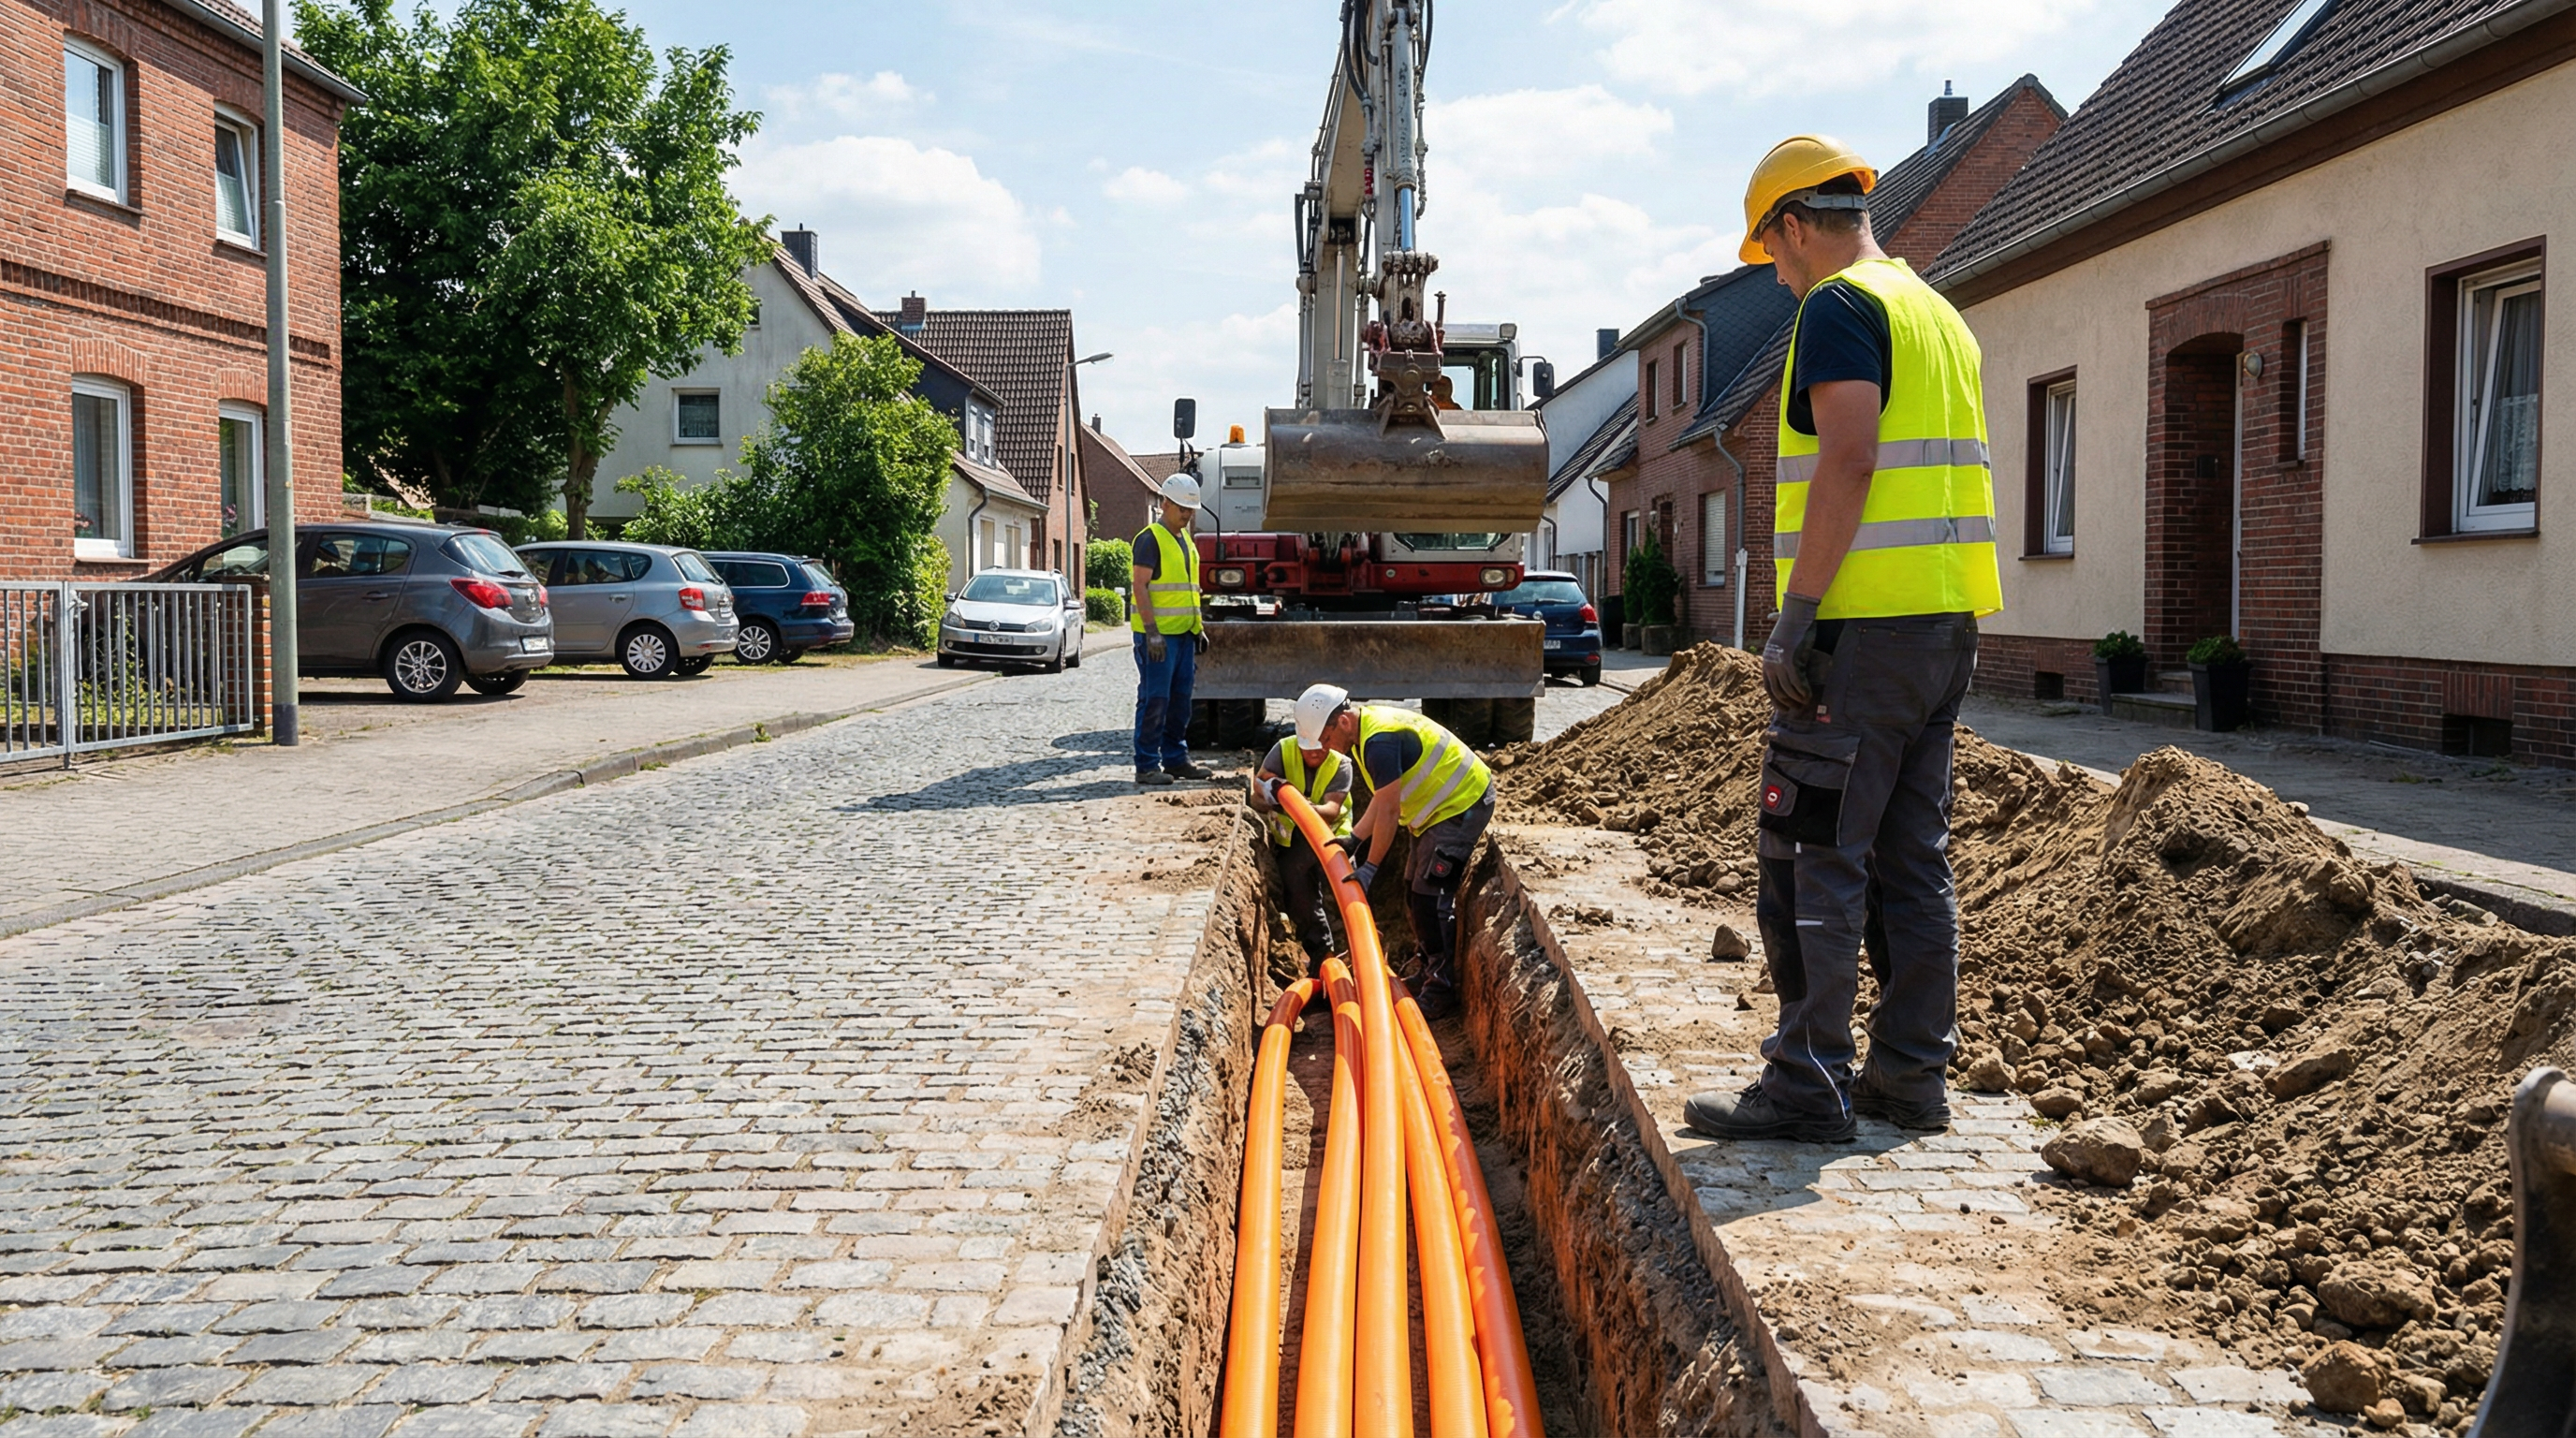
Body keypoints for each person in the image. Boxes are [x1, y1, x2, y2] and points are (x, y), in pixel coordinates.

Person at [1680, 135, 2002, 1145]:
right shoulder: (1935, 311)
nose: (1774, 276)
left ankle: (1806, 1084)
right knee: (1912, 858)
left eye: (1769, 254)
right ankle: (1908, 1078)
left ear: (1789, 226)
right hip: (1944, 625)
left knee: (1814, 848)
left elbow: (1850, 458)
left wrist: (1797, 616)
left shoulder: (1838, 305)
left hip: (1859, 633)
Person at [1296, 683, 1495, 1020]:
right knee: (1412, 892)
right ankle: (1428, 968)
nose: (1326, 748)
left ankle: (1441, 989)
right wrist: (1356, 838)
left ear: (1342, 721)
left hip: (1462, 804)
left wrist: (1371, 866)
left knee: (1431, 896)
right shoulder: (1362, 738)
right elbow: (1381, 798)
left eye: (1326, 739)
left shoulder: (1380, 743)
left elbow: (1389, 810)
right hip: (1435, 811)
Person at [1246, 726, 1354, 973]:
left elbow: (1332, 810)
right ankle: (1321, 956)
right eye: (1309, 747)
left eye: (1321, 746)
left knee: (1348, 898)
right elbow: (1258, 793)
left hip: (1335, 840)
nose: (1316, 752)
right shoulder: (1284, 750)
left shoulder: (1341, 764)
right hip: (1294, 840)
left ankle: (1358, 958)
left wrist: (1299, 806)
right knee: (1299, 898)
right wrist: (1275, 796)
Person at [1131, 475, 1211, 786]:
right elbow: (1140, 586)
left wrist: (1198, 627)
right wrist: (1151, 631)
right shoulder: (1150, 538)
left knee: (1179, 700)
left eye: (1191, 509)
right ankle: (1147, 764)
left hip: (1183, 635)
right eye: (1182, 507)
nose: (1187, 514)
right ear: (1165, 503)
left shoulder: (1184, 540)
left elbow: (1189, 591)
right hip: (1158, 639)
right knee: (1155, 699)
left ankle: (1176, 759)